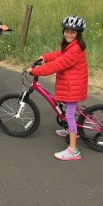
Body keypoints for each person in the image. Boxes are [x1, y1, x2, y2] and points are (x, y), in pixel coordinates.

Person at [28, 15, 88, 161]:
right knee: (67, 108)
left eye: (72, 32)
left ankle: (73, 151)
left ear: (78, 34)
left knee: (69, 115)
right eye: (67, 31)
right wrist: (45, 57)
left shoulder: (74, 50)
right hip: (71, 84)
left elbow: (57, 65)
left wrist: (34, 71)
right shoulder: (71, 46)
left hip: (73, 86)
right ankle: (70, 130)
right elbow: (59, 55)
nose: (69, 34)